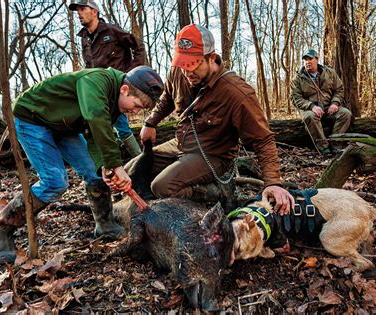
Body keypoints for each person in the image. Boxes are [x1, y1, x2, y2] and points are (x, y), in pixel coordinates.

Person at [0, 66, 164, 262]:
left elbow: (96, 133)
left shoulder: (114, 102)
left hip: (64, 126)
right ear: (125, 90)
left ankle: (105, 225)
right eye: (136, 105)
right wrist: (116, 165)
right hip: (33, 118)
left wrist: (105, 166)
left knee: (95, 173)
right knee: (55, 181)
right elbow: (95, 116)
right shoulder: (96, 80)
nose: (134, 111)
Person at [126, 24, 294, 213]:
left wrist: (273, 183)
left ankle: (215, 192)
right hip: (181, 143)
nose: (187, 72)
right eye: (183, 65)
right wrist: (150, 122)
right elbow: (168, 98)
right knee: (132, 170)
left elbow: (263, 140)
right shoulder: (179, 72)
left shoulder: (236, 93)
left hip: (214, 154)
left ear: (211, 58)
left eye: (193, 65)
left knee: (161, 187)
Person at [69, 0, 147, 158]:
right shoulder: (84, 37)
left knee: (122, 127)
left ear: (94, 11)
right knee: (97, 126)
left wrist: (131, 73)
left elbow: (138, 45)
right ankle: (111, 165)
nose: (79, 13)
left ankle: (141, 161)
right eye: (77, 10)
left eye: (82, 9)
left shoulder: (112, 31)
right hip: (96, 90)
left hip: (116, 87)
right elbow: (89, 64)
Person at [290, 49, 352, 155]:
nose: (307, 62)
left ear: (317, 59)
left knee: (346, 114)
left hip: (328, 106)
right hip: (309, 109)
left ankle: (336, 144)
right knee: (309, 117)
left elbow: (339, 89)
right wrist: (311, 106)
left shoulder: (330, 73)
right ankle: (323, 147)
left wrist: (335, 103)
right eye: (305, 59)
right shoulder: (298, 78)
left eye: (310, 59)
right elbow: (296, 98)